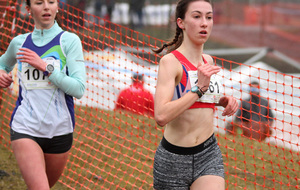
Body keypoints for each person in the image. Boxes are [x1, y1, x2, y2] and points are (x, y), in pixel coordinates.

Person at [152, 0, 239, 189]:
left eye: (209, 17)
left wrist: (223, 101)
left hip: (208, 154)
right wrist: (198, 89)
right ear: (181, 23)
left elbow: (204, 99)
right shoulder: (170, 62)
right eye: (197, 16)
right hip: (173, 160)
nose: (204, 23)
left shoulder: (207, 60)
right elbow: (161, 116)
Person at [0, 0, 86, 189]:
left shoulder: (70, 41)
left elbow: (79, 89)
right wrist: (1, 73)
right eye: (39, 2)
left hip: (60, 131)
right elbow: (2, 64)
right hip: (25, 128)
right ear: (29, 10)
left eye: (51, 2)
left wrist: (44, 66)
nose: (46, 7)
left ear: (57, 7)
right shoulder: (19, 43)